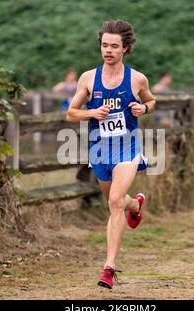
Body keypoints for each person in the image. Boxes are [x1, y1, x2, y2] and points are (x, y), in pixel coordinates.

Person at [66, 20, 156, 289]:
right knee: (116, 200)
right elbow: (70, 113)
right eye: (105, 45)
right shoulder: (88, 78)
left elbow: (151, 100)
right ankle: (136, 205)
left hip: (127, 148)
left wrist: (144, 109)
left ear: (125, 48)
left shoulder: (137, 79)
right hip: (100, 149)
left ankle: (109, 268)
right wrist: (91, 113)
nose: (108, 50)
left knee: (115, 201)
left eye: (114, 46)